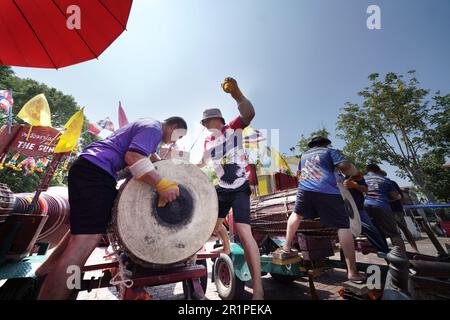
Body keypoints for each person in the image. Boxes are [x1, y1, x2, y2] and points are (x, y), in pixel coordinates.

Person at [36, 116, 188, 300]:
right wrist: (162, 184)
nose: (175, 141)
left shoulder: (148, 128)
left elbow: (152, 160)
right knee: (82, 247)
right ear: (173, 126)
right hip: (96, 173)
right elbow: (133, 157)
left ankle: (46, 268)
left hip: (89, 168)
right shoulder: (154, 129)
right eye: (178, 136)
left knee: (82, 234)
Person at [198, 77, 264, 300]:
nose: (205, 125)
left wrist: (237, 94)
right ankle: (226, 247)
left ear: (218, 119)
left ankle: (259, 290)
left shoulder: (232, 128)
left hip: (239, 186)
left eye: (207, 121)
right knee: (213, 224)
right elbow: (202, 162)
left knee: (245, 234)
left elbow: (249, 113)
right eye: (204, 123)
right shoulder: (207, 142)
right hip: (221, 188)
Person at [283, 136, 366, 283]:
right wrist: (355, 172)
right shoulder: (329, 151)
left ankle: (287, 247)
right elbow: (345, 166)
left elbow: (299, 175)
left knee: (296, 214)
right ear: (325, 144)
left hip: (304, 190)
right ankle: (352, 272)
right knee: (343, 226)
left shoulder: (303, 156)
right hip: (326, 190)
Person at [364, 164, 406, 253]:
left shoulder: (362, 179)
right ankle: (401, 258)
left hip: (365, 207)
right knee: (394, 234)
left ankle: (382, 252)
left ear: (367, 170)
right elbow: (395, 196)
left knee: (375, 233)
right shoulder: (385, 180)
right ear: (378, 171)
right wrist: (392, 198)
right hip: (382, 205)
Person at [342, 174, 389, 253]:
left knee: (371, 229)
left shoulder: (354, 174)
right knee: (345, 234)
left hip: (358, 208)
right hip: (342, 209)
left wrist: (355, 186)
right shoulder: (332, 174)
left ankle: (384, 252)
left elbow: (366, 189)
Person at [379, 170, 419, 252]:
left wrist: (390, 200)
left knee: (403, 228)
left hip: (395, 209)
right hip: (386, 210)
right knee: (393, 231)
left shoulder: (391, 183)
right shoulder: (380, 184)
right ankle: (398, 251)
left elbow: (399, 196)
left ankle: (414, 249)